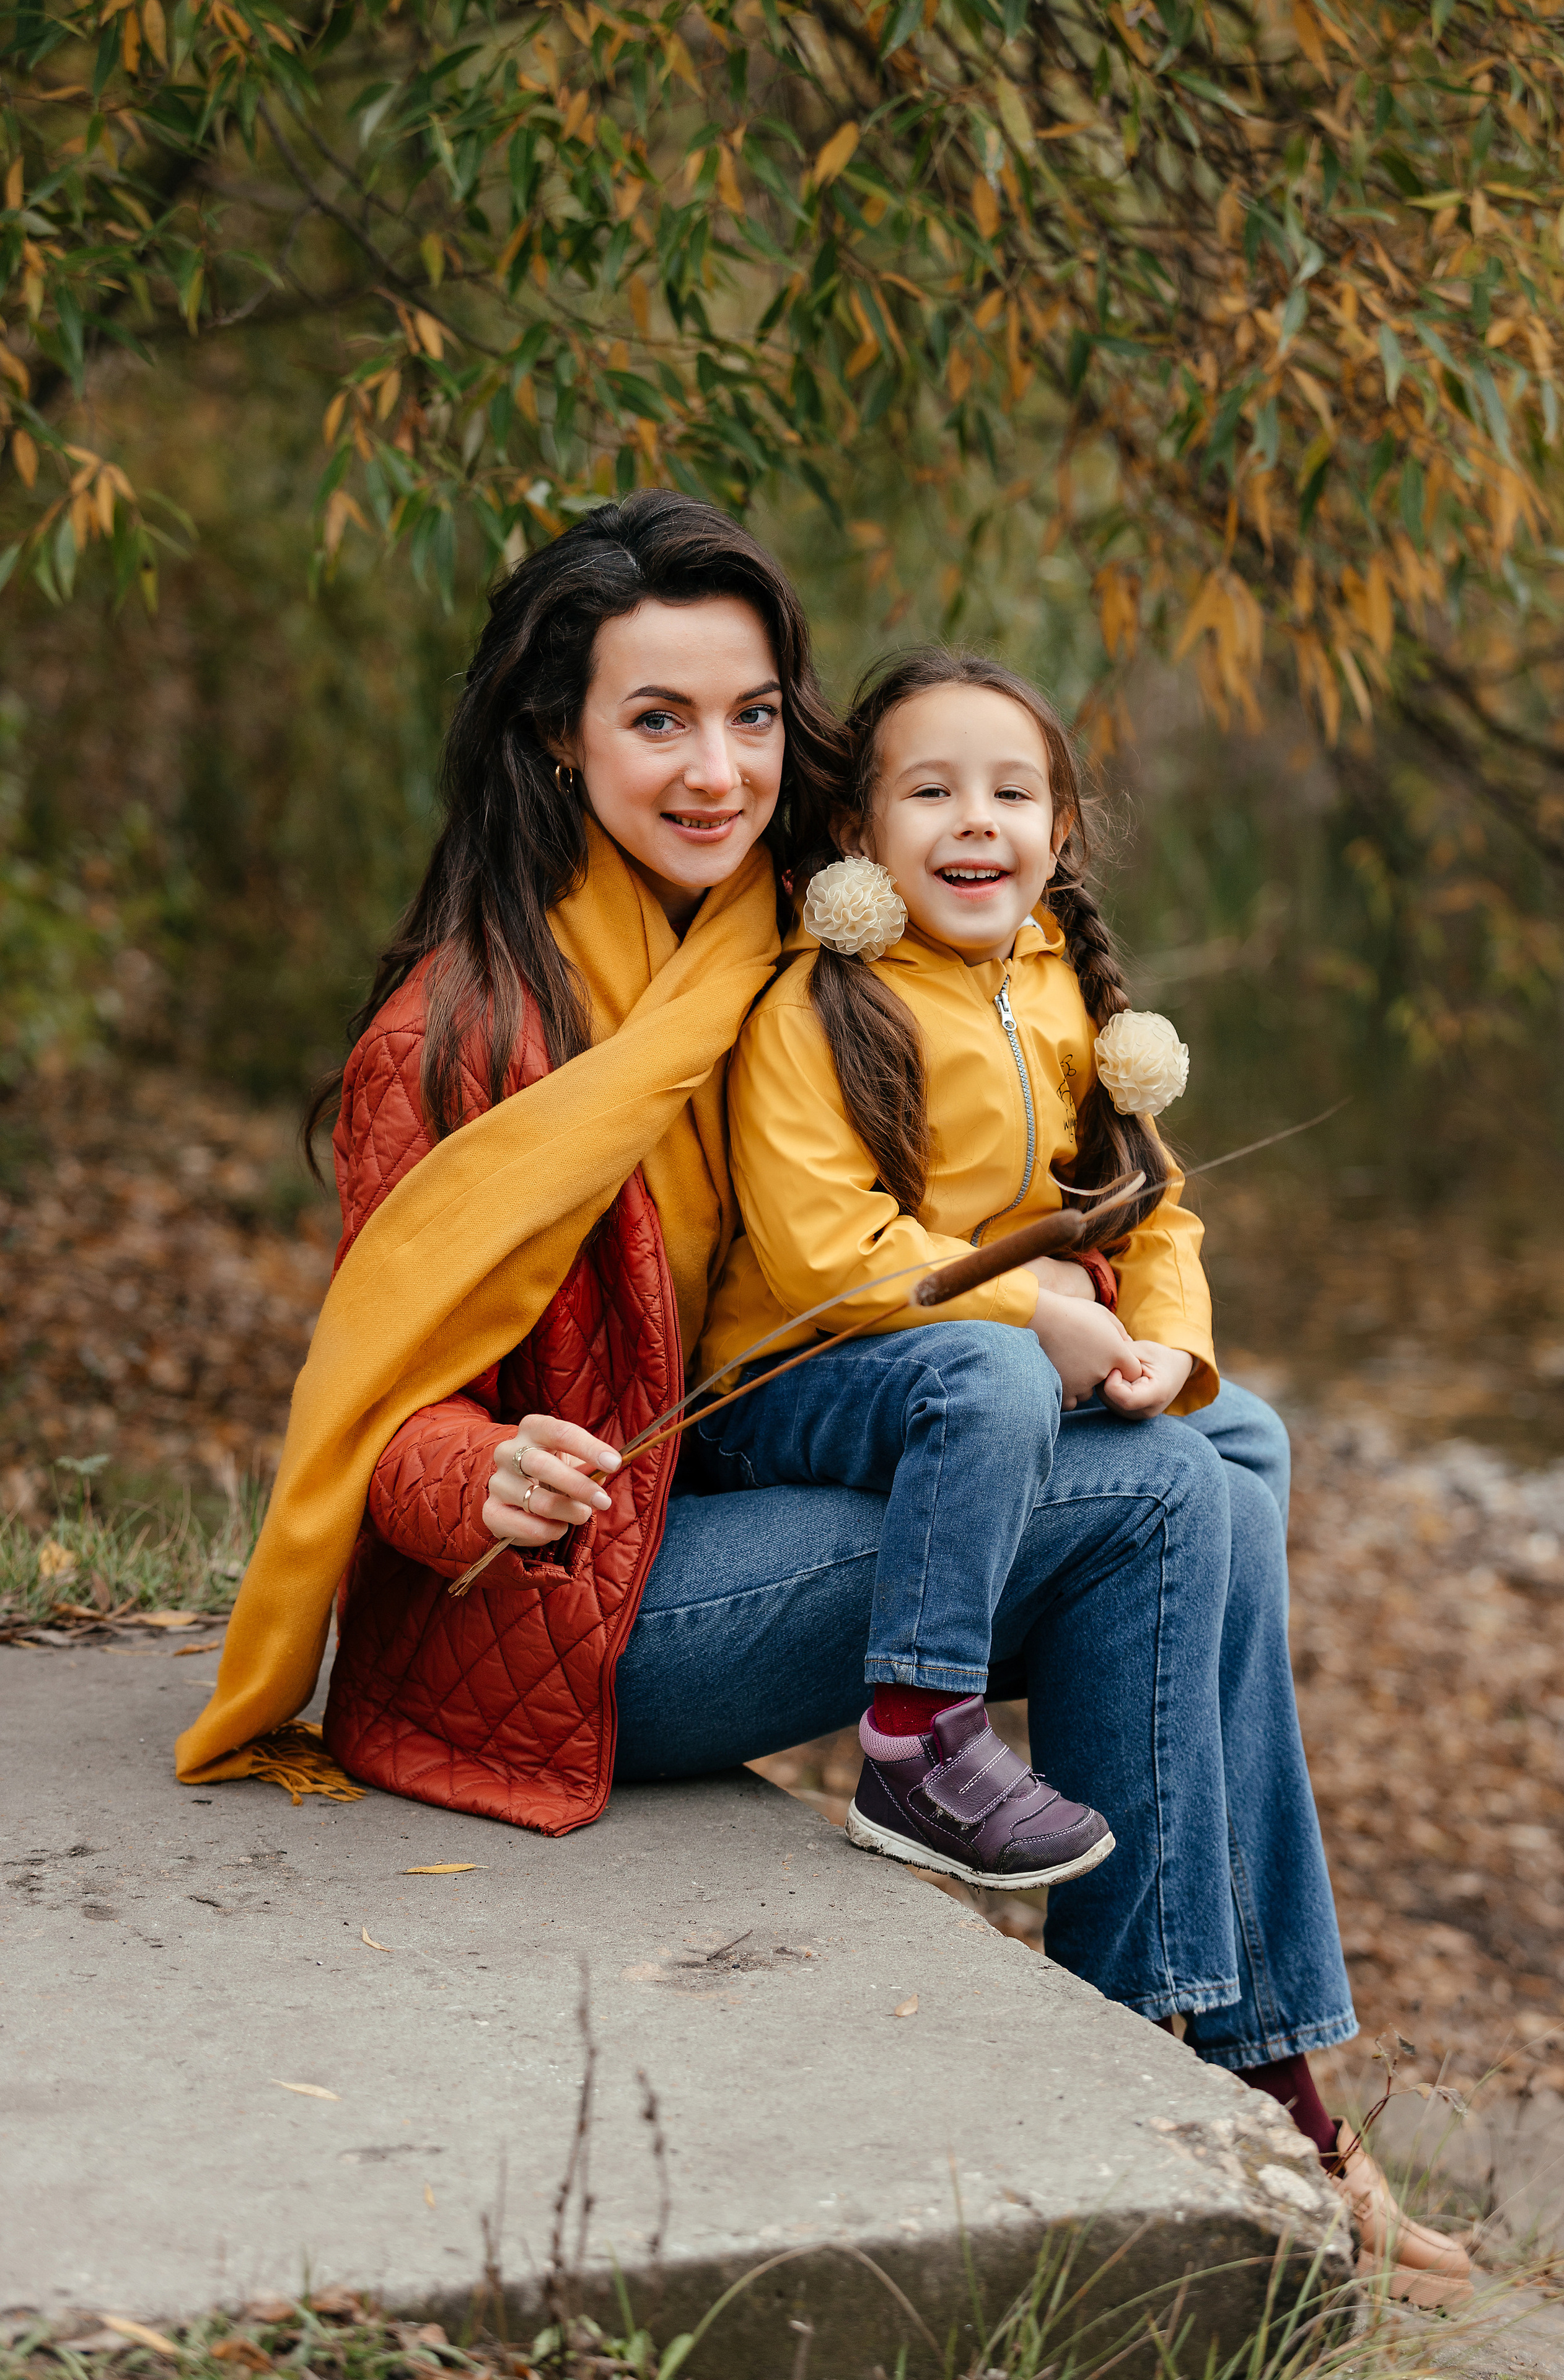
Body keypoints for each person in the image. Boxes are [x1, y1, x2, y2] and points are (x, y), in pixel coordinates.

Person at [172, 491, 1466, 2301]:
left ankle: (1234, 2092)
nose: (718, 770)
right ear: (558, 738)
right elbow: (374, 1419)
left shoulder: (792, 936)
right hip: (563, 1605)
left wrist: (1114, 1296)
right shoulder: (460, 1031)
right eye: (657, 720)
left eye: (756, 717)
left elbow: (1023, 1113)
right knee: (1180, 1502)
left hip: (756, 1499)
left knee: (1222, 1454)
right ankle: (1206, 2108)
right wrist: (482, 1474)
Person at [692, 648, 1210, 1896]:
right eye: (929, 793)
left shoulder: (1061, 1001)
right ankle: (917, 1738)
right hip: (792, 1383)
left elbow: (1153, 1211)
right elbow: (830, 1256)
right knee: (991, 1379)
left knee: (1239, 1452)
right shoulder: (813, 1009)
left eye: (1010, 793)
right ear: (856, 832)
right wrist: (1040, 1313)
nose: (975, 818)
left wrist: (1164, 1348)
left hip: (970, 1357)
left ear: (1059, 829)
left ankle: (1196, 1967)